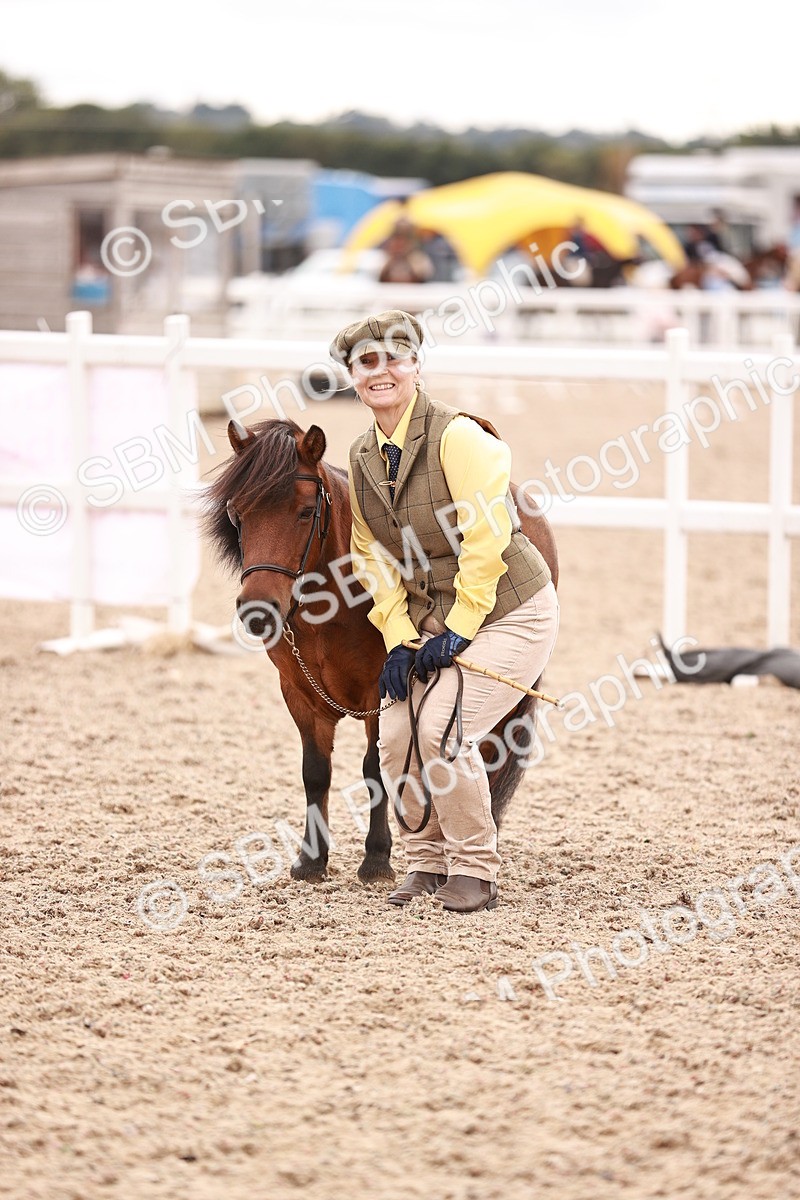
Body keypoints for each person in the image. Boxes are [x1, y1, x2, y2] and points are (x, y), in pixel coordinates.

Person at [330, 310, 559, 914]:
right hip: (431, 620)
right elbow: (369, 553)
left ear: (415, 366)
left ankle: (476, 869)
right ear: (352, 377)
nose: (381, 372)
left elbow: (485, 539)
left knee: (442, 730)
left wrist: (457, 631)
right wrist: (402, 638)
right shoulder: (361, 455)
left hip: (510, 611)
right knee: (397, 731)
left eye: (393, 359)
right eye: (366, 363)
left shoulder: (461, 438)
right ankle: (426, 861)